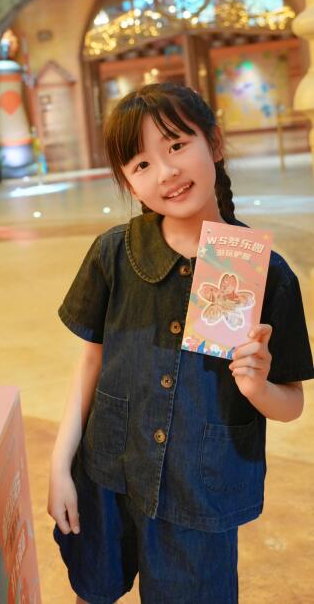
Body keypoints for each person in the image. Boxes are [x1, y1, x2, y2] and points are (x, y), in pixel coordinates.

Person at [48, 82, 313, 604]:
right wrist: (60, 465)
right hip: (108, 473)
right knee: (93, 589)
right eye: (141, 164)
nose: (166, 171)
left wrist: (258, 386)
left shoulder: (267, 274)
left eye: (176, 144)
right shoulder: (113, 254)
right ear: (127, 180)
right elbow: (91, 362)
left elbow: (292, 404)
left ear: (214, 142)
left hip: (200, 493)